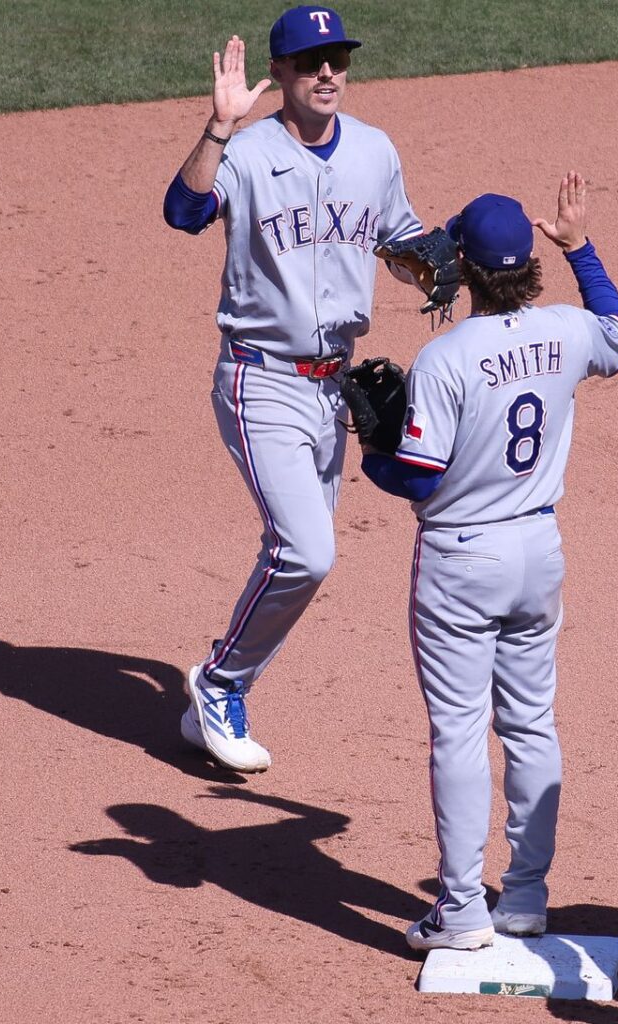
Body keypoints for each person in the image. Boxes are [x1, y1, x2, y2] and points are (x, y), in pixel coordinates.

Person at [359, 177, 618, 951]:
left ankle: (460, 911)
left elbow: (418, 474)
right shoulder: (569, 332)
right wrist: (581, 248)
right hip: (538, 553)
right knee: (531, 722)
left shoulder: (446, 357)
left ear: (470, 272)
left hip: (461, 558)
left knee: (457, 730)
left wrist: (372, 450)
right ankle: (524, 898)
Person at [162, 5, 424, 773]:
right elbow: (182, 212)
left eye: (338, 59)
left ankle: (214, 696)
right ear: (278, 73)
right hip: (260, 378)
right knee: (308, 552)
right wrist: (218, 127)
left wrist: (435, 264)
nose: (328, 74)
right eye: (310, 62)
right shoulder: (246, 154)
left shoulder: (374, 152)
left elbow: (402, 241)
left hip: (334, 390)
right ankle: (219, 682)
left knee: (300, 552)